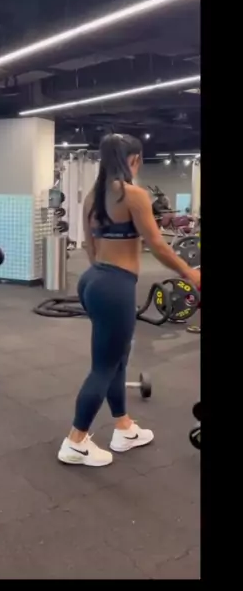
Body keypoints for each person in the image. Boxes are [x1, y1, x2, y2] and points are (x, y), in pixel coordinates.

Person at [58, 134, 201, 468]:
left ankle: (124, 428)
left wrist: (103, 279)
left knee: (117, 360)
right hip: (115, 285)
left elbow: (90, 247)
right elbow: (158, 245)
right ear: (133, 159)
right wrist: (190, 274)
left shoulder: (92, 197)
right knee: (104, 367)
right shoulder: (134, 195)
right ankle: (75, 441)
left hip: (93, 280)